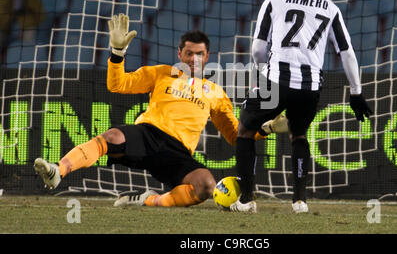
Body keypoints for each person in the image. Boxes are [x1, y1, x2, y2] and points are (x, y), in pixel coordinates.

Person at [34, 14, 286, 208]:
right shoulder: (162, 73)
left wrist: (268, 128)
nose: (193, 59)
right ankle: (58, 171)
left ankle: (148, 200)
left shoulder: (215, 93)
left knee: (206, 186)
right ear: (180, 53)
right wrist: (117, 54)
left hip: (177, 153)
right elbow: (116, 84)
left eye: (199, 54)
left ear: (207, 55)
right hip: (147, 135)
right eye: (189, 53)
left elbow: (235, 135)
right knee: (112, 136)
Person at [231, 0, 373, 213]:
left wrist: (263, 73)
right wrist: (356, 92)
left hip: (277, 80)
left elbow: (258, 48)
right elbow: (346, 52)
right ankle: (299, 201)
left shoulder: (274, 1)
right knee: (299, 135)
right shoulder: (331, 8)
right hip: (309, 87)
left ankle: (246, 199)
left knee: (244, 130)